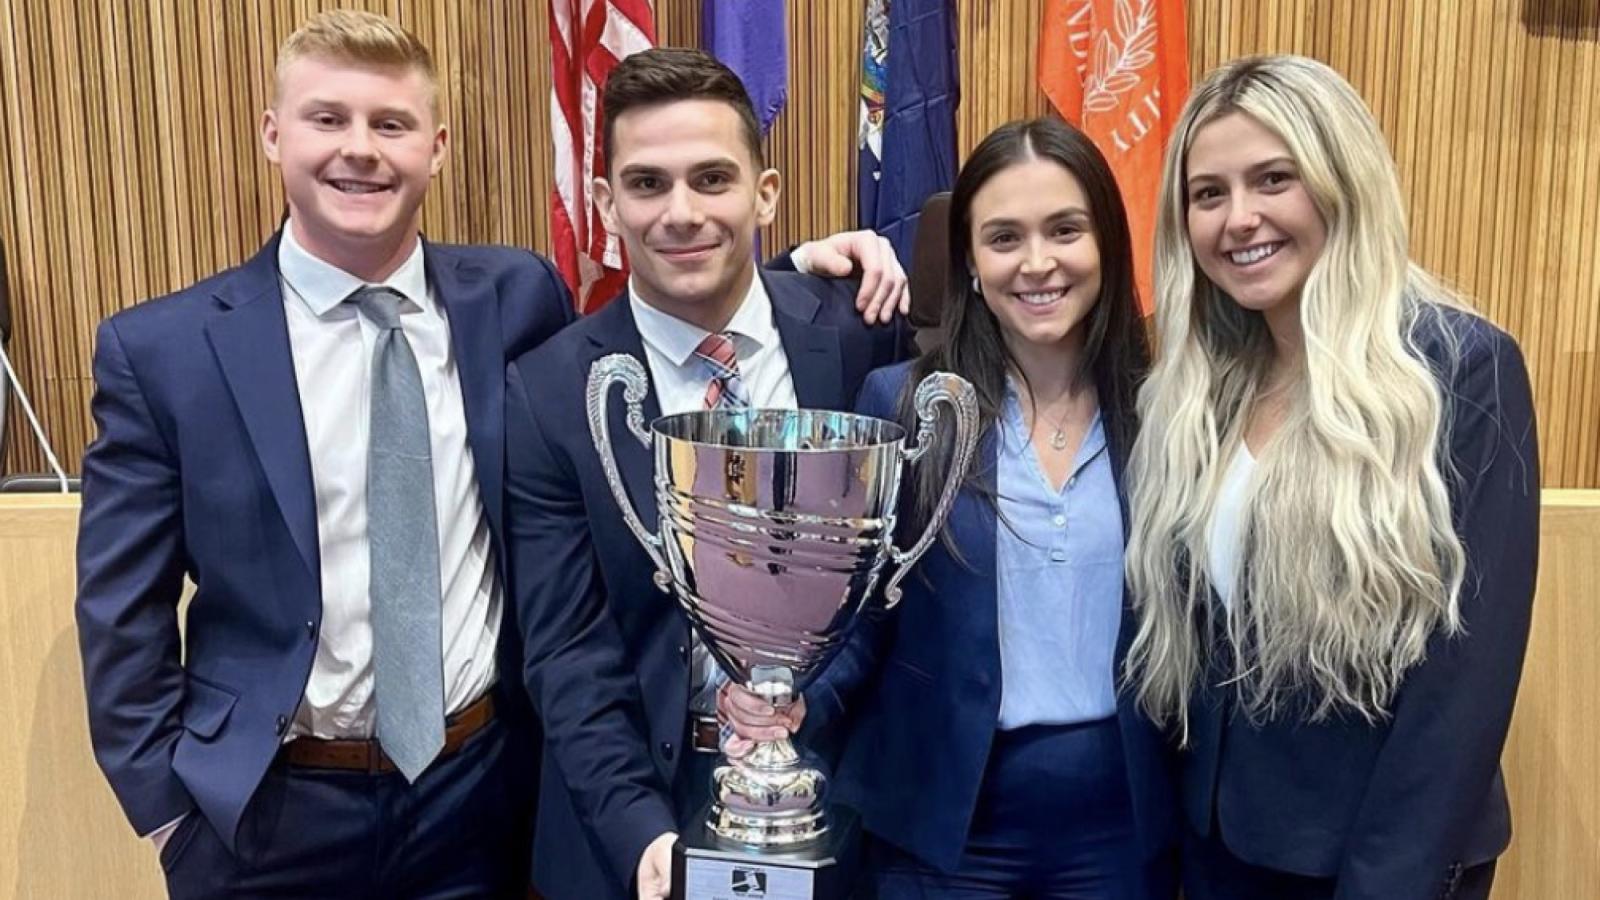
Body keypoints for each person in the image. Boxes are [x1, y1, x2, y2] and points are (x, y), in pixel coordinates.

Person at [74, 12, 905, 897]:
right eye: (328, 119)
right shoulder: (163, 351)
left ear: (434, 148)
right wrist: (169, 811)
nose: (361, 150)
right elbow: (121, 615)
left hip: (475, 799)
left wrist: (795, 271)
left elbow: (696, 297)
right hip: (266, 815)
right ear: (274, 134)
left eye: (390, 125)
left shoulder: (509, 302)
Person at [722, 117, 1179, 898]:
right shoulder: (903, 406)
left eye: (1064, 230)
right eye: (1004, 238)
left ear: (1106, 241)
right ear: (968, 261)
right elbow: (862, 614)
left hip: (1121, 828)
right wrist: (797, 696)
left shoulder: (1167, 410)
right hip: (943, 827)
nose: (1038, 263)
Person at [1121, 55, 1540, 900]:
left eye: (1273, 179)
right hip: (1218, 851)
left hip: (1376, 862)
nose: (1240, 219)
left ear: (1340, 181)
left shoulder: (1456, 372)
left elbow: (1461, 690)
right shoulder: (1194, 390)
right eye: (1209, 194)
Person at [503, 47, 915, 900]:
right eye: (648, 184)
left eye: (712, 178)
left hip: (833, 801)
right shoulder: (546, 390)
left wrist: (816, 710)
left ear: (763, 193)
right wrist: (638, 838)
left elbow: (888, 589)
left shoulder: (858, 336)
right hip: (627, 819)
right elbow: (565, 648)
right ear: (608, 204)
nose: (681, 213)